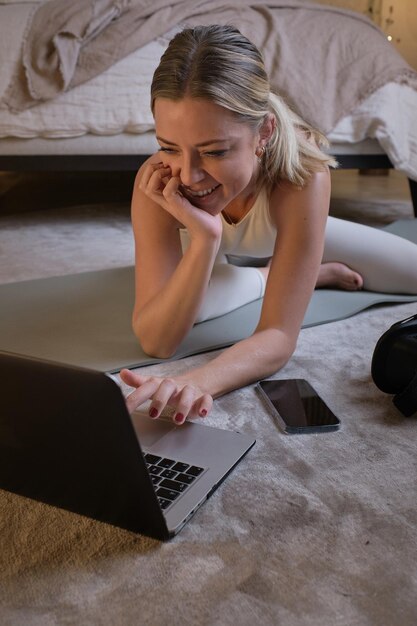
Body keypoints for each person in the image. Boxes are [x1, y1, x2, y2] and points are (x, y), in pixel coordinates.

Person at [120, 24, 417, 423]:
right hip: (209, 254)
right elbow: (156, 340)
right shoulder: (158, 181)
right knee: (180, 307)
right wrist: (206, 240)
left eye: (215, 151)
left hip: (294, 228)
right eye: (168, 146)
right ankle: (272, 273)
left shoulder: (301, 173)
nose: (187, 176)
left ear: (264, 132)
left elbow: (277, 336)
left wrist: (199, 381)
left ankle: (302, 265)